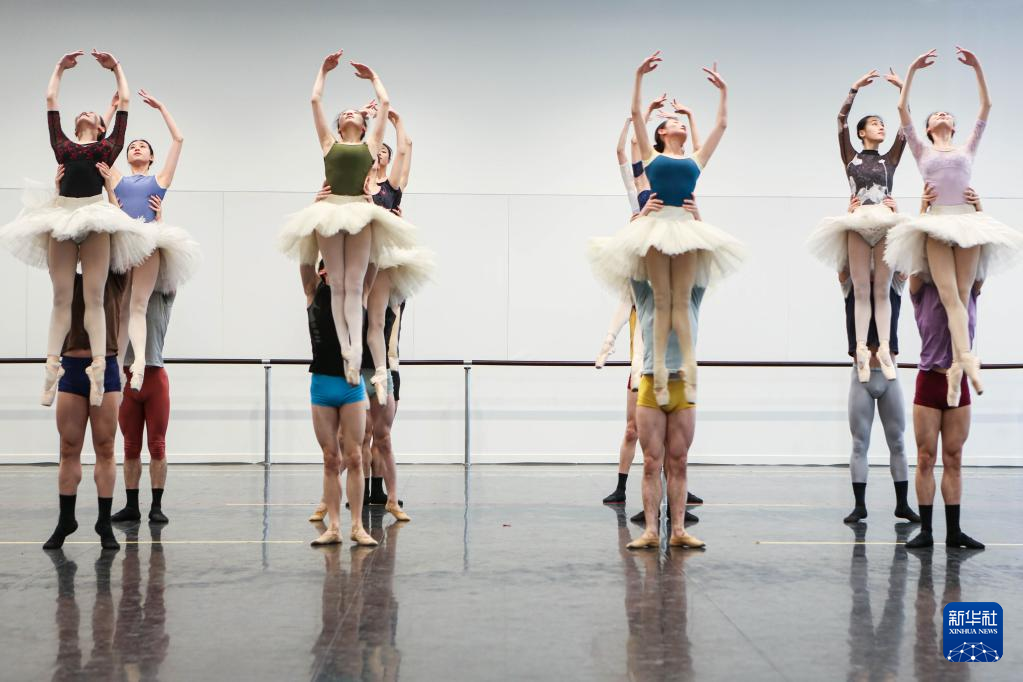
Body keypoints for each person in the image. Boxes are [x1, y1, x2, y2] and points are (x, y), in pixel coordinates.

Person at [590, 52, 744, 405]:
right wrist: (639, 75)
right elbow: (634, 115)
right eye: (674, 122)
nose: (680, 125)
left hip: (686, 228)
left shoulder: (696, 159)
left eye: (682, 123)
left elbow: (722, 126)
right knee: (660, 301)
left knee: (681, 302)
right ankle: (657, 371)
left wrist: (722, 92)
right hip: (657, 229)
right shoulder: (651, 155)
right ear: (661, 131)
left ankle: (689, 369)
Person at [0, 50, 153, 407]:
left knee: (95, 297)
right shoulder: (63, 147)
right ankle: (50, 369)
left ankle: (99, 369)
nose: (85, 112)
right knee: (61, 296)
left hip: (95, 213)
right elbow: (50, 101)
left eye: (92, 113)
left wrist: (116, 68)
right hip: (62, 214)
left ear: (100, 127)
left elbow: (125, 103)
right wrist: (59, 68)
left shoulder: (107, 149)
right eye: (80, 112)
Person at [885, 46, 1023, 403]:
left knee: (963, 294)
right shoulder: (921, 149)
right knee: (948, 295)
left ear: (955, 127)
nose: (943, 115)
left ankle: (960, 366)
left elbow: (986, 107)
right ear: (929, 128)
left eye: (948, 113)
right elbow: (901, 110)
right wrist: (912, 70)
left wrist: (977, 68)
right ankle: (963, 359)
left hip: (967, 221)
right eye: (936, 115)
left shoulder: (967, 148)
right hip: (936, 223)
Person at [278, 50, 418, 391]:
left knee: (356, 286)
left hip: (360, 210)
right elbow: (314, 101)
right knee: (338, 284)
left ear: (364, 126)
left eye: (355, 112)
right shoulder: (329, 143)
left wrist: (374, 78)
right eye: (344, 114)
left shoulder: (371, 146)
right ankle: (345, 349)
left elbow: (385, 103)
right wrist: (323, 71)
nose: (349, 114)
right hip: (330, 210)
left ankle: (356, 351)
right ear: (340, 126)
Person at [808, 69, 906, 381]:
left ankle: (885, 348)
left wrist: (903, 89)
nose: (882, 126)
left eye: (882, 124)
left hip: (885, 220)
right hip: (858, 220)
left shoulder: (890, 159)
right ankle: (861, 348)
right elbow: (840, 121)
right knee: (861, 288)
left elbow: (907, 127)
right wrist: (854, 90)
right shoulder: (851, 157)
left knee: (882, 289)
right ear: (863, 132)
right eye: (875, 123)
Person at [99, 89, 200, 392]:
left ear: (151, 157)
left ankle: (140, 362)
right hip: (122, 241)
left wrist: (161, 107)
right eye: (132, 146)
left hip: (149, 239)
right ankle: (117, 367)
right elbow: (99, 144)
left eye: (143, 146)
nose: (137, 148)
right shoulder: (117, 178)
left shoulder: (160, 179)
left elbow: (179, 139)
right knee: (121, 307)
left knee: (139, 304)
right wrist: (111, 108)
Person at [836, 195, 919, 524]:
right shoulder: (851, 289)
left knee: (897, 441)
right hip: (861, 375)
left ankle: (902, 503)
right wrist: (849, 219)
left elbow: (907, 260)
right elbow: (842, 266)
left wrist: (896, 220)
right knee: (860, 443)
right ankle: (860, 505)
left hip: (889, 374)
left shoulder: (893, 287)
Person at [42, 267, 130, 550]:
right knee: (68, 448)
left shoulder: (115, 274)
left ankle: (104, 523)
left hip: (105, 366)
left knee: (105, 447)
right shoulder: (66, 274)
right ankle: (66, 519)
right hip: (71, 366)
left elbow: (128, 250)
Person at [301, 259, 378, 547]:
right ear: (324, 272)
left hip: (351, 386)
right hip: (322, 384)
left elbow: (371, 266)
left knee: (355, 456)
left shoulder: (358, 294)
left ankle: (357, 526)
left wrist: (378, 235)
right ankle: (334, 526)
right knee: (330, 459)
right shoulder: (313, 291)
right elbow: (304, 262)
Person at [110, 196, 175, 525]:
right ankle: (132, 505)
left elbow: (167, 257)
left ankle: (156, 505)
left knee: (157, 445)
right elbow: (117, 257)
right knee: (130, 446)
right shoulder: (122, 293)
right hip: (126, 376)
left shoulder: (163, 292)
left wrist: (158, 223)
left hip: (153, 375)